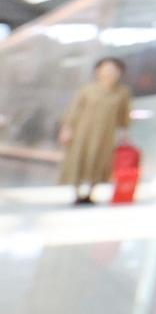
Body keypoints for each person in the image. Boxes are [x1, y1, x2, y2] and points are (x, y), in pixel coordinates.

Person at [57, 57, 133, 205]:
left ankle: (91, 192)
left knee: (100, 161)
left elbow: (124, 115)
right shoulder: (87, 89)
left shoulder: (123, 92)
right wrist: (67, 129)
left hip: (106, 134)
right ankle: (77, 192)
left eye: (113, 69)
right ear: (98, 70)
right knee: (79, 159)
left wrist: (124, 134)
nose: (109, 72)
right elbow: (74, 110)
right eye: (106, 68)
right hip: (82, 132)